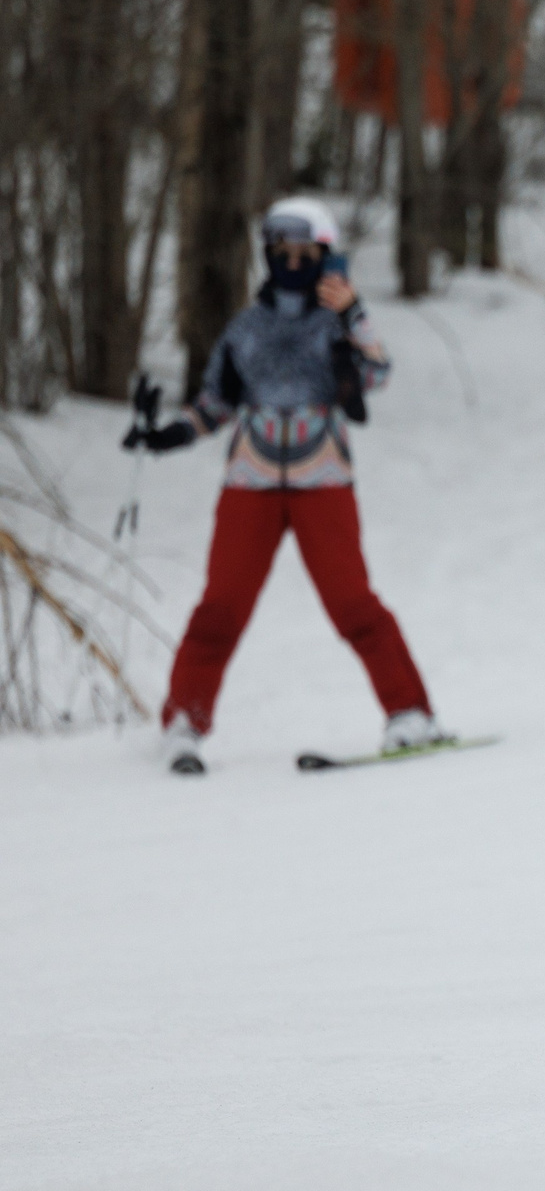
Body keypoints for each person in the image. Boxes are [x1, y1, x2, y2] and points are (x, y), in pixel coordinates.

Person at [124, 198, 442, 775]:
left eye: (306, 254)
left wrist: (354, 314)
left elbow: (378, 373)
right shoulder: (245, 328)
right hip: (251, 481)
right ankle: (183, 724)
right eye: (281, 253)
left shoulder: (337, 322)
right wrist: (167, 434)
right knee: (222, 605)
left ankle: (410, 713)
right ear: (267, 256)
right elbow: (216, 402)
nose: (293, 263)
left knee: (352, 602)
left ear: (326, 257)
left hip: (323, 479)